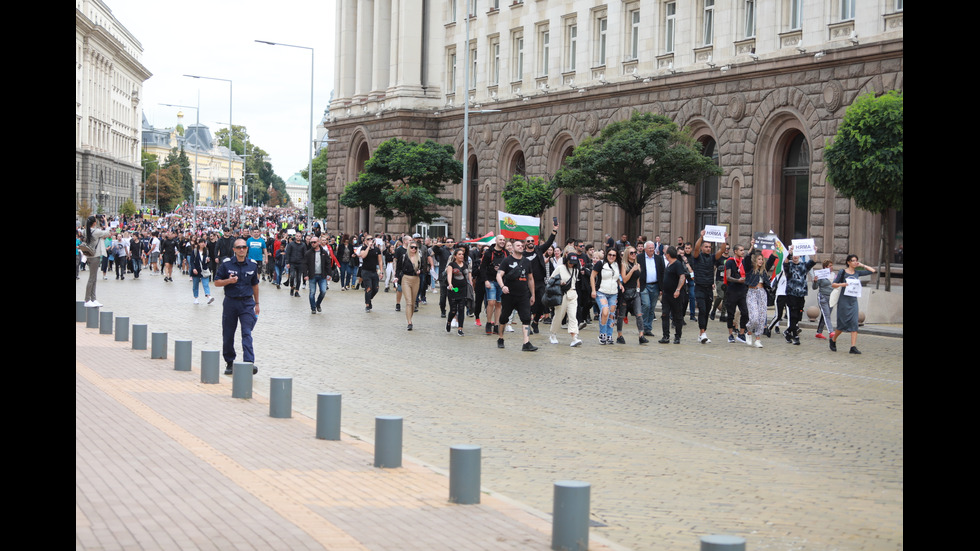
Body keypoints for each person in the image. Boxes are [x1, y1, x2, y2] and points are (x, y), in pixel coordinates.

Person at [214, 238, 260, 375]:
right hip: (230, 302)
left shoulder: (252, 265)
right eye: (239, 247)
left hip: (247, 303)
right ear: (234, 250)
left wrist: (257, 303)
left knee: (247, 332)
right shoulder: (226, 265)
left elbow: (255, 285)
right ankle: (229, 362)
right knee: (228, 334)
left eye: (244, 247)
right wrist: (229, 281)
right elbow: (216, 282)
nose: (241, 249)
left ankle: (248, 363)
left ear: (247, 249)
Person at [829, 255, 876, 354]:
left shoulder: (857, 272)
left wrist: (862, 265)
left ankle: (853, 347)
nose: (855, 262)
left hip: (853, 301)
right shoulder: (842, 272)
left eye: (856, 261)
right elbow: (833, 284)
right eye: (853, 261)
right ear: (848, 262)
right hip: (843, 301)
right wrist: (843, 284)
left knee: (854, 323)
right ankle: (833, 339)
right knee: (841, 325)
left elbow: (872, 271)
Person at [496, 240, 537, 351]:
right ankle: (500, 338)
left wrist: (533, 294)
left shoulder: (527, 262)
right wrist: (503, 286)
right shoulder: (507, 260)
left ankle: (526, 343)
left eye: (522, 246)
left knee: (526, 318)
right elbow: (499, 275)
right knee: (504, 318)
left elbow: (530, 279)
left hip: (523, 295)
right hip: (509, 295)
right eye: (518, 245)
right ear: (512, 248)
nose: (521, 247)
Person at [690, 231, 726, 343]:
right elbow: (695, 248)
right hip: (699, 287)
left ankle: (702, 333)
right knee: (702, 309)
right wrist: (701, 236)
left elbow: (722, 250)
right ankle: (703, 332)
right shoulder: (697, 257)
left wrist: (724, 239)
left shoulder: (712, 258)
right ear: (702, 248)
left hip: (709, 288)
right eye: (706, 247)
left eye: (710, 247)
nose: (708, 248)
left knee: (707, 311)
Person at [782, 246, 818, 346]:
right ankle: (795, 336)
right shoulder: (788, 265)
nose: (795, 256)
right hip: (791, 293)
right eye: (793, 255)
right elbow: (785, 263)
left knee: (798, 316)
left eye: (797, 254)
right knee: (793, 314)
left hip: (801, 294)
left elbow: (814, 262)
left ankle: (788, 332)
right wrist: (789, 253)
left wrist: (814, 252)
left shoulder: (804, 265)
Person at [548, 253, 583, 347]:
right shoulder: (560, 268)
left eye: (574, 263)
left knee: (572, 316)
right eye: (570, 262)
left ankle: (574, 337)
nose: (572, 264)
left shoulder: (576, 270)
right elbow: (550, 280)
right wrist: (559, 282)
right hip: (561, 295)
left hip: (572, 295)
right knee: (559, 316)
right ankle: (553, 334)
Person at [616, 246, 649, 344]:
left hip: (635, 292)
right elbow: (625, 279)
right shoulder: (623, 264)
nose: (634, 254)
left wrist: (638, 289)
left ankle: (641, 336)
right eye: (631, 253)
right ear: (627, 254)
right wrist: (632, 270)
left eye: (635, 252)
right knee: (621, 315)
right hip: (625, 292)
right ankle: (619, 335)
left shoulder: (637, 265)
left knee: (639, 314)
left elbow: (637, 279)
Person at [591, 248, 624, 345]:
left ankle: (609, 334)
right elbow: (592, 276)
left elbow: (616, 276)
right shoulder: (600, 264)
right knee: (605, 311)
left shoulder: (617, 265)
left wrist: (620, 284)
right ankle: (602, 334)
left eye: (614, 255)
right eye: (610, 254)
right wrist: (593, 290)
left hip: (613, 292)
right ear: (606, 255)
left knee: (611, 314)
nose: (611, 257)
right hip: (601, 291)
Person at [744, 251, 775, 348]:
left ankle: (758, 339)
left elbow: (771, 260)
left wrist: (774, 250)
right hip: (752, 292)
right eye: (759, 259)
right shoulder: (750, 269)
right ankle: (748, 331)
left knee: (762, 317)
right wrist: (751, 248)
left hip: (762, 293)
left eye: (762, 259)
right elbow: (746, 259)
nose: (761, 261)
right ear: (754, 260)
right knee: (754, 317)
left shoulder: (764, 271)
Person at [659, 246, 688, 344]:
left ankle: (677, 336)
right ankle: (665, 336)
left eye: (666, 253)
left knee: (677, 316)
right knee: (665, 314)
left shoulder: (677, 264)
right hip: (666, 295)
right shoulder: (668, 265)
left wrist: (678, 289)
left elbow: (682, 277)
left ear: (668, 254)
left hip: (675, 295)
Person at [482, 234, 508, 336]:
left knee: (498, 303)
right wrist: (485, 280)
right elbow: (483, 267)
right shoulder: (489, 252)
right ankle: (489, 322)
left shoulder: (506, 253)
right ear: (496, 240)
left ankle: (496, 324)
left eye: (504, 240)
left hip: (501, 282)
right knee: (491, 302)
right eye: (500, 239)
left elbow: (508, 266)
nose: (502, 241)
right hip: (491, 280)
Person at [395, 239, 424, 330]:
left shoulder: (419, 257)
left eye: (415, 248)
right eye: (412, 247)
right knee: (408, 301)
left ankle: (410, 317)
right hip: (406, 279)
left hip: (416, 279)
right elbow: (398, 268)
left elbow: (424, 267)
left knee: (413, 302)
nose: (414, 249)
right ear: (409, 248)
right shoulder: (404, 256)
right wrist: (397, 277)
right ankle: (409, 322)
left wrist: (421, 270)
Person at [724, 243, 750, 343]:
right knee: (731, 313)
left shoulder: (744, 262)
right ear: (735, 251)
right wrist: (738, 280)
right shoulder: (730, 262)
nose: (743, 252)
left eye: (743, 250)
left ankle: (741, 333)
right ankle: (730, 334)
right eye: (741, 250)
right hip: (732, 290)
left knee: (745, 312)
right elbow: (728, 277)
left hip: (742, 290)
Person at [639, 240, 665, 337]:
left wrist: (662, 288)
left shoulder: (659, 258)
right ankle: (643, 326)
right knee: (646, 305)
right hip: (644, 285)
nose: (651, 250)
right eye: (650, 248)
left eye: (653, 248)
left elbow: (662, 272)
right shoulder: (640, 258)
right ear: (645, 249)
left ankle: (648, 328)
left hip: (655, 286)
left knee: (652, 307)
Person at [83, 215, 110, 307]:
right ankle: (87, 299)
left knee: (93, 278)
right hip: (95, 256)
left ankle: (93, 299)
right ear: (94, 223)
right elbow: (107, 232)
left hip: (90, 256)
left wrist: (93, 217)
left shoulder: (86, 230)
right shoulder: (96, 232)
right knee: (92, 278)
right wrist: (105, 221)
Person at [445, 247, 472, 336]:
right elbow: (449, 275)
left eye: (462, 254)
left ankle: (460, 328)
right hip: (453, 289)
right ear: (455, 256)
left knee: (461, 309)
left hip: (463, 289)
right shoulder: (451, 265)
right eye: (459, 254)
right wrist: (450, 284)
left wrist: (471, 285)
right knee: (453, 310)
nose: (461, 256)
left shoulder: (465, 264)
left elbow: (468, 275)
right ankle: (449, 322)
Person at [304, 235, 334, 314]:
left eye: (314, 242)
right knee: (312, 293)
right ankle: (313, 308)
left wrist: (329, 274)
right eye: (311, 242)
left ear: (318, 242)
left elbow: (328, 264)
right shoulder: (308, 253)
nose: (313, 244)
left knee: (323, 291)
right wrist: (305, 275)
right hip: (312, 275)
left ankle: (318, 304)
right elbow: (305, 265)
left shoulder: (323, 252)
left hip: (322, 275)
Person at [358, 236, 383, 312]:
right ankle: (367, 305)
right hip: (365, 271)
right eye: (368, 239)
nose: (370, 240)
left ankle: (369, 299)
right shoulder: (363, 248)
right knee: (369, 288)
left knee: (376, 288)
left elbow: (380, 260)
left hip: (374, 271)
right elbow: (363, 256)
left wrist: (381, 271)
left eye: (371, 239)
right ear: (365, 241)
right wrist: (368, 247)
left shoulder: (376, 249)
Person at [189, 237, 215, 305]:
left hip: (204, 270)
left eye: (204, 242)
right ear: (199, 243)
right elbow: (191, 261)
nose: (203, 244)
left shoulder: (206, 251)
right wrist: (193, 268)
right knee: (195, 285)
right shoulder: (195, 251)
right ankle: (196, 298)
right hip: (196, 270)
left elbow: (208, 260)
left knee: (206, 284)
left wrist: (208, 260)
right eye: (201, 242)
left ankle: (208, 296)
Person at [814, 259, 835, 339]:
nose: (832, 267)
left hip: (831, 297)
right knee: (827, 315)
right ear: (825, 267)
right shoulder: (821, 275)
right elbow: (814, 287)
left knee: (825, 315)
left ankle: (819, 332)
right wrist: (815, 281)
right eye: (830, 266)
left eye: (832, 265)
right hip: (823, 297)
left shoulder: (833, 275)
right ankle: (831, 331)